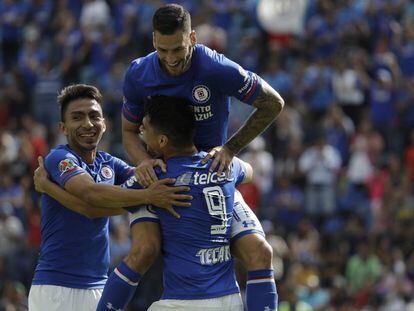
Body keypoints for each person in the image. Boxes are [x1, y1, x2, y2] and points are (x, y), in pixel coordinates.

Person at [119, 3, 284, 310]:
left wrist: (230, 148)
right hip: (162, 178)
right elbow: (129, 131)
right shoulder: (139, 73)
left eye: (177, 49)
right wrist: (142, 160)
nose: (170, 60)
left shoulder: (216, 69)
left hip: (212, 178)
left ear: (192, 38)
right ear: (153, 41)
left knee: (260, 252)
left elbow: (273, 103)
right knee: (144, 251)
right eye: (161, 50)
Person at [28, 84, 192, 311]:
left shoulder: (109, 163)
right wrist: (148, 196)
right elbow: (90, 197)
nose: (87, 124)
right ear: (63, 128)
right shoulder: (60, 157)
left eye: (94, 116)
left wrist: (157, 166)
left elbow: (140, 180)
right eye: (77, 117)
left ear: (104, 124)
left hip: (99, 285)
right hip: (57, 287)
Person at [99, 95, 253, 310]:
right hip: (230, 299)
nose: (140, 134)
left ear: (162, 141)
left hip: (183, 302)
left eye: (145, 129)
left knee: (141, 251)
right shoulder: (226, 166)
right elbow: (249, 172)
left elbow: (100, 204)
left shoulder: (156, 176)